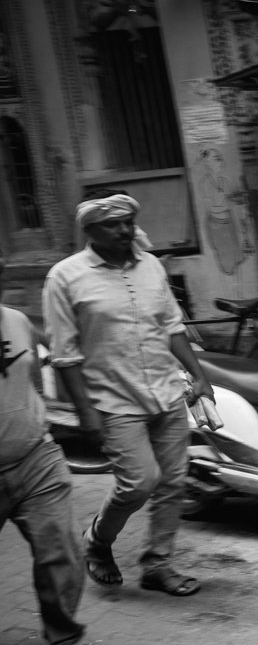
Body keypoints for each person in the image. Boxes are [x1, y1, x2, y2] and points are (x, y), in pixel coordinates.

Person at [44, 191, 214, 597]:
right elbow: (64, 354)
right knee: (138, 483)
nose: (124, 230)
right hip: (113, 400)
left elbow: (172, 326)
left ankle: (157, 563)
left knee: (173, 482)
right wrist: (85, 412)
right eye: (112, 224)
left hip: (166, 391)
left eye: (128, 222)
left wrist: (199, 375)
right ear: (90, 230)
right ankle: (98, 540)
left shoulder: (151, 265)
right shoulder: (64, 277)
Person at [1, 252, 110, 645]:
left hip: (35, 458)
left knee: (61, 550)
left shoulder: (17, 321)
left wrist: (41, 429)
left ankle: (65, 641)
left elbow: (31, 383)